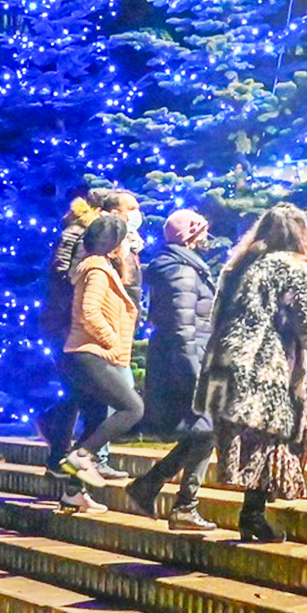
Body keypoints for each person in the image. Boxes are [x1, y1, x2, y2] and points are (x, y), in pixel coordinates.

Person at [198, 202, 307, 543]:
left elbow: (216, 318)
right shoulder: (291, 268)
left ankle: (252, 514)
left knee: (256, 441)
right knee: (280, 436)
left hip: (224, 368)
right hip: (264, 370)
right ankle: (254, 516)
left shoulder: (238, 266)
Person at [128, 208, 219, 532]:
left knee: (204, 430)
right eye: (202, 231)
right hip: (184, 362)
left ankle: (150, 486)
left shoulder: (181, 266)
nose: (206, 237)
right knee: (207, 429)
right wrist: (195, 376)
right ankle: (183, 506)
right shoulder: (181, 271)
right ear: (190, 235)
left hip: (181, 359)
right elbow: (183, 328)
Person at [38, 186, 128, 504]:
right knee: (91, 398)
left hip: (71, 328)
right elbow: (66, 276)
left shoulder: (88, 235)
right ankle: (67, 451)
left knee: (87, 399)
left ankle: (72, 477)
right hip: (72, 329)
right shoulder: (82, 237)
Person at [55, 212, 144, 509]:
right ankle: (79, 457)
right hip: (89, 354)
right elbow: (88, 312)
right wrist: (111, 340)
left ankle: (72, 492)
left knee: (95, 420)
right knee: (132, 408)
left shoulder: (102, 267)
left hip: (85, 355)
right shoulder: (96, 270)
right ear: (115, 244)